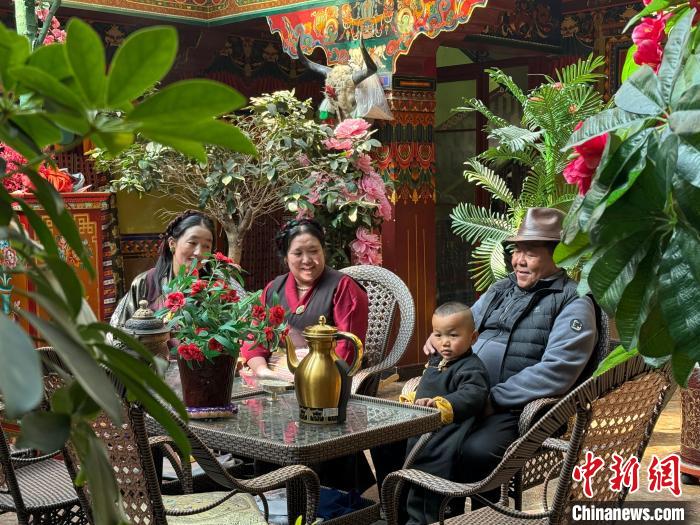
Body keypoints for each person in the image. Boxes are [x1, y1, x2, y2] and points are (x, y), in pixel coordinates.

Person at [423, 207, 601, 506]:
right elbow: (464, 327)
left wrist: (493, 399)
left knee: (475, 451)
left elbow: (558, 369)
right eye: (517, 251)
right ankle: (426, 509)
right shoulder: (501, 288)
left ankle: (485, 514)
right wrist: (441, 336)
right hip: (465, 391)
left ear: (558, 255)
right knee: (401, 436)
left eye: (530, 253)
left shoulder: (573, 300)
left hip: (514, 408)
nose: (518, 260)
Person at [242, 218, 369, 378]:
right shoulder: (273, 289)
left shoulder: (343, 288)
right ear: (285, 257)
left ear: (323, 251)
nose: (307, 260)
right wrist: (263, 371)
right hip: (273, 377)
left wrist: (306, 376)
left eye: (314, 251)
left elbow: (347, 349)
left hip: (326, 379)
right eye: (298, 253)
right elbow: (254, 338)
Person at [398, 302, 489, 524]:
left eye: (453, 335)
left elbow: (473, 395)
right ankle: (404, 515)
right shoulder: (436, 361)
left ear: (473, 338)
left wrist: (441, 405)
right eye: (438, 335)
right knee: (411, 475)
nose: (444, 342)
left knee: (433, 483)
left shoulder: (471, 368)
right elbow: (427, 388)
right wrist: (413, 398)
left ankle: (435, 518)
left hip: (447, 434)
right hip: (422, 429)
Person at [111, 210, 216, 329]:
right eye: (192, 243)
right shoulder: (145, 283)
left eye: (206, 246)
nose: (199, 252)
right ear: (172, 243)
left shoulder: (216, 288)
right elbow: (117, 330)